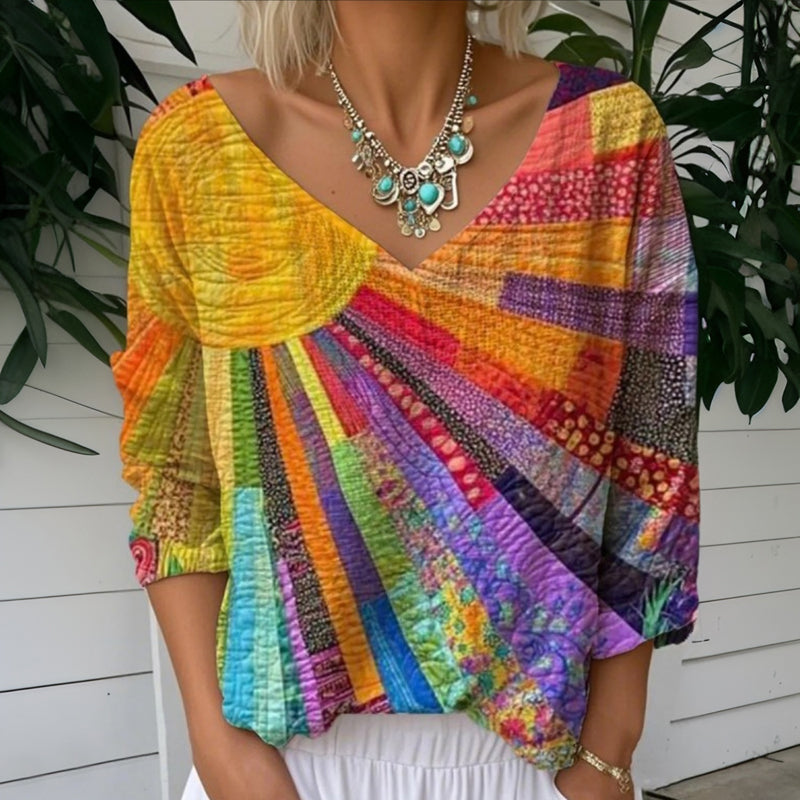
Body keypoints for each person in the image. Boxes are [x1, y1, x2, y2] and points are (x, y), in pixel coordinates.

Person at [109, 1, 701, 799]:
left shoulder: (607, 139)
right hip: (280, 766)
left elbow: (651, 468)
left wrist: (609, 752)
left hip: (536, 764)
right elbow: (175, 478)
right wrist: (220, 749)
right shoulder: (199, 147)